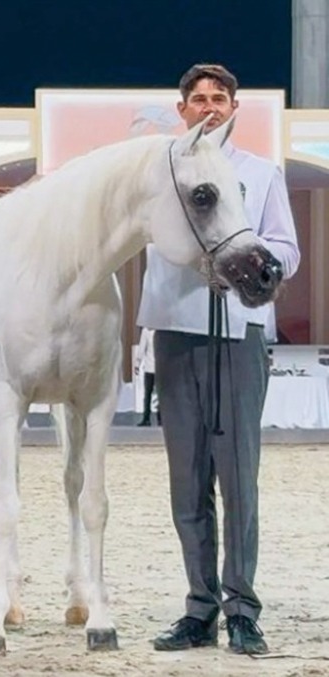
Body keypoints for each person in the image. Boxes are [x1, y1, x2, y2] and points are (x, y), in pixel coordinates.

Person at [140, 63, 301, 655]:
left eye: (219, 98)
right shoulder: (157, 173)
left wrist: (249, 264)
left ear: (234, 108)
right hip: (175, 332)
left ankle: (242, 609)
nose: (208, 106)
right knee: (187, 482)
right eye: (198, 98)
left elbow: (286, 248)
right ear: (181, 109)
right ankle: (199, 608)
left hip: (239, 335)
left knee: (238, 479)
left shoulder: (260, 173)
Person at [136, 327, 158, 426]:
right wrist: (137, 363)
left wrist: (137, 363)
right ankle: (155, 418)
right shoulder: (149, 331)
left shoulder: (147, 331)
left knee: (149, 394)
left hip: (154, 368)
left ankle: (148, 418)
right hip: (153, 368)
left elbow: (142, 348)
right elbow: (142, 348)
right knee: (152, 394)